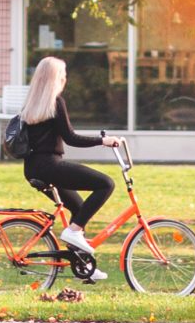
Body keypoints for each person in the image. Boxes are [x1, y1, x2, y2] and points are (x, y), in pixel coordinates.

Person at [17, 55, 125, 283]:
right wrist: (102, 141)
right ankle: (73, 233)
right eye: (62, 74)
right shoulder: (56, 103)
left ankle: (83, 266)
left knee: (78, 208)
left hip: (34, 168)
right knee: (106, 184)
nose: (65, 79)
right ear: (54, 78)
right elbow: (71, 138)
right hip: (50, 166)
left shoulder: (31, 104)